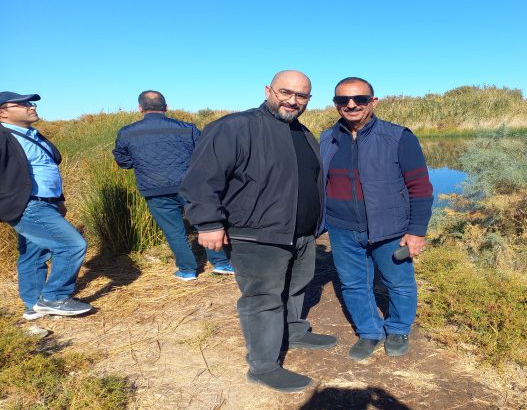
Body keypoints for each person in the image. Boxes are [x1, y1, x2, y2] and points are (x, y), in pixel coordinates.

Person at [179, 71, 336, 393]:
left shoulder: (302, 132)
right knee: (263, 299)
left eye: (302, 95)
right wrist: (208, 223)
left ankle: (294, 331)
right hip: (256, 235)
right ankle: (263, 366)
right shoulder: (235, 127)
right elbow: (201, 180)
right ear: (268, 90)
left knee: (296, 287)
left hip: (300, 234)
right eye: (285, 92)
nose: (293, 100)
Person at [320, 77, 433, 360]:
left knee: (399, 283)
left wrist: (417, 231)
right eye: (343, 100)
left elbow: (420, 188)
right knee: (353, 284)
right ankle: (369, 332)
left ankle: (398, 329)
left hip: (390, 229)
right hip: (342, 229)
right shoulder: (327, 138)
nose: (351, 105)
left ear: (373, 101)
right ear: (335, 104)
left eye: (360, 99)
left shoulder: (398, 137)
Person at [113, 91, 232, 280]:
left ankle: (187, 270)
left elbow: (123, 161)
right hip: (191, 186)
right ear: (166, 107)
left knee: (174, 231)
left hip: (154, 189)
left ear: (140, 108)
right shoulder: (187, 128)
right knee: (205, 222)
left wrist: (142, 164)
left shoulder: (127, 132)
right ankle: (221, 263)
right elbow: (203, 153)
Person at [0, 92, 93, 320]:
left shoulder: (32, 134)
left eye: (30, 103)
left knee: (34, 254)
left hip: (46, 202)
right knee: (72, 245)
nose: (31, 107)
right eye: (22, 104)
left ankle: (34, 305)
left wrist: (58, 199)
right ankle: (55, 297)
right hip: (27, 205)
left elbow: (46, 168)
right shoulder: (3, 137)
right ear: (3, 112)